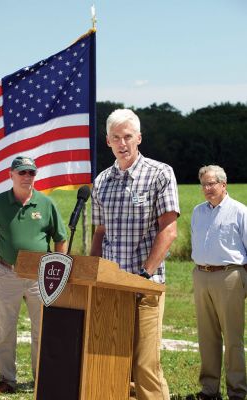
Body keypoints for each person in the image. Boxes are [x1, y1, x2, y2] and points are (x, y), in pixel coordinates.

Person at [90, 109, 180, 400]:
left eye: (128, 136)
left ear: (139, 138)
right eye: (116, 137)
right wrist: (93, 272)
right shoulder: (101, 181)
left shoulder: (160, 173)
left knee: (145, 366)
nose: (122, 143)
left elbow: (169, 230)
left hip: (145, 286)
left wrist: (146, 273)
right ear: (107, 141)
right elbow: (100, 233)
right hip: (111, 287)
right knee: (116, 363)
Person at [0, 156, 67, 394]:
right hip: (6, 273)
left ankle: (43, 379)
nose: (27, 177)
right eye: (22, 173)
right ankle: (6, 380)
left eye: (31, 173)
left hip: (40, 276)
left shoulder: (46, 204)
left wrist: (57, 273)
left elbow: (60, 239)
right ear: (11, 175)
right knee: (5, 330)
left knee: (43, 330)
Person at [190, 165, 247, 400]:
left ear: (223, 185)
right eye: (204, 184)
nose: (207, 188)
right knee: (206, 335)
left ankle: (237, 391)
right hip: (201, 275)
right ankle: (209, 389)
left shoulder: (240, 211)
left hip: (229, 276)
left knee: (232, 337)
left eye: (211, 183)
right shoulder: (197, 212)